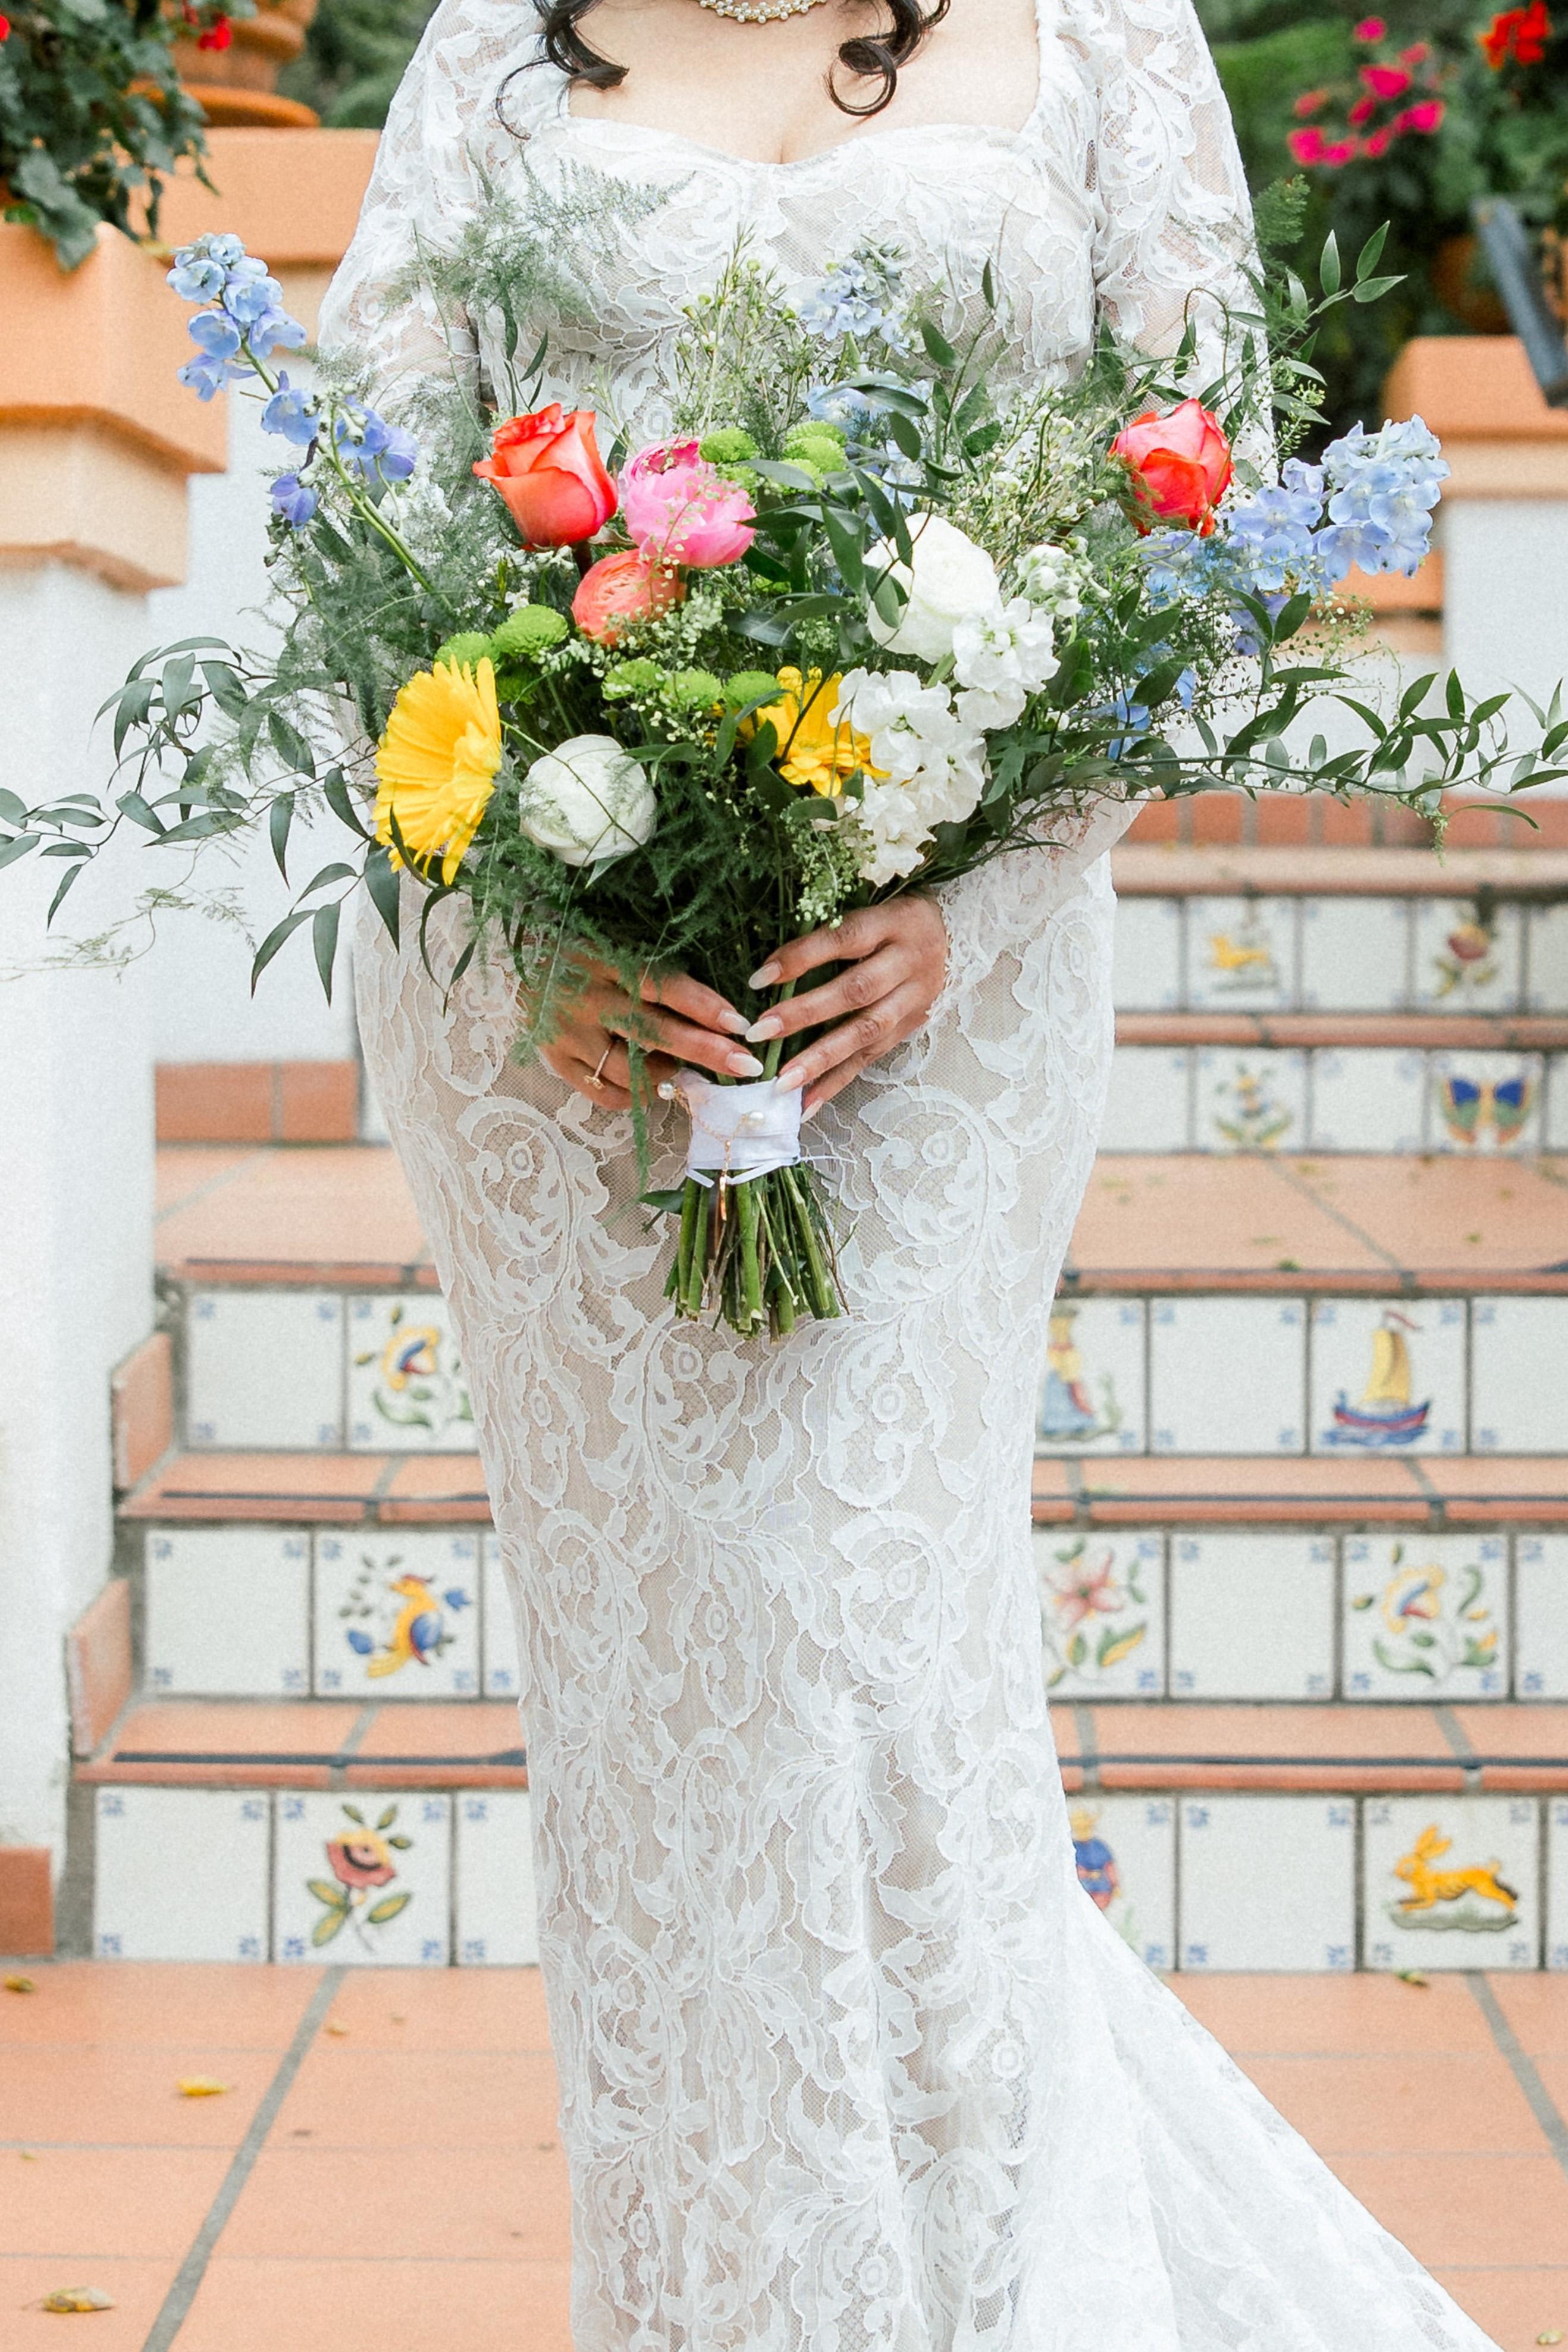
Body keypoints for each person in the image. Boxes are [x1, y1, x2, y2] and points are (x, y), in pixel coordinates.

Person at [321, 2, 1500, 2342]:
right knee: (678, 1735)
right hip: (570, 1001)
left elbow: (1207, 506)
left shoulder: (1100, 31)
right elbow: (372, 496)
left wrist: (983, 893)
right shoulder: (494, 38)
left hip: (940, 985)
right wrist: (527, 918)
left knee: (860, 1660)